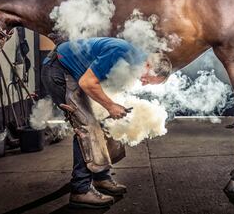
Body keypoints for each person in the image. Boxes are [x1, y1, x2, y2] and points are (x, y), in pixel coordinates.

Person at [41, 37, 172, 209]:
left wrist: (112, 107)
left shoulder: (135, 60)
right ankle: (80, 190)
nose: (144, 83)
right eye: (147, 80)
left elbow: (102, 82)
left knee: (104, 121)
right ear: (148, 65)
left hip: (74, 73)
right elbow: (87, 82)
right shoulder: (121, 52)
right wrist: (110, 105)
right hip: (59, 70)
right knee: (86, 126)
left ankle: (101, 177)